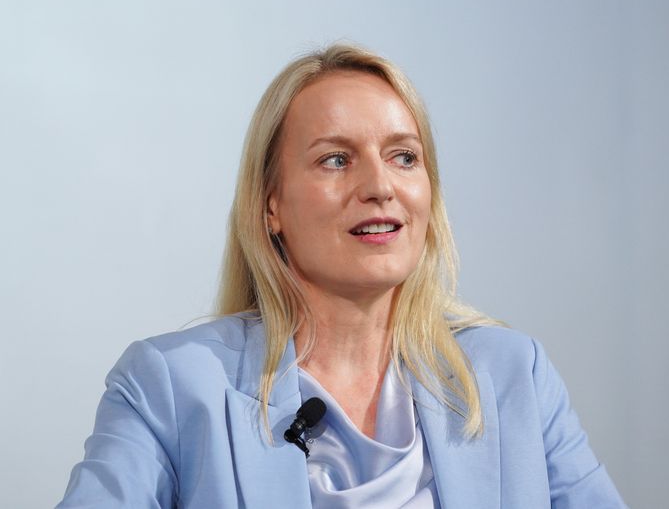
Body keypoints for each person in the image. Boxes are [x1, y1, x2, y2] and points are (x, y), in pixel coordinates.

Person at [58, 43, 627, 508]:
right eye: (336, 159)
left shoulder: (513, 377)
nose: (380, 186)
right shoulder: (172, 387)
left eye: (404, 157)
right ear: (270, 205)